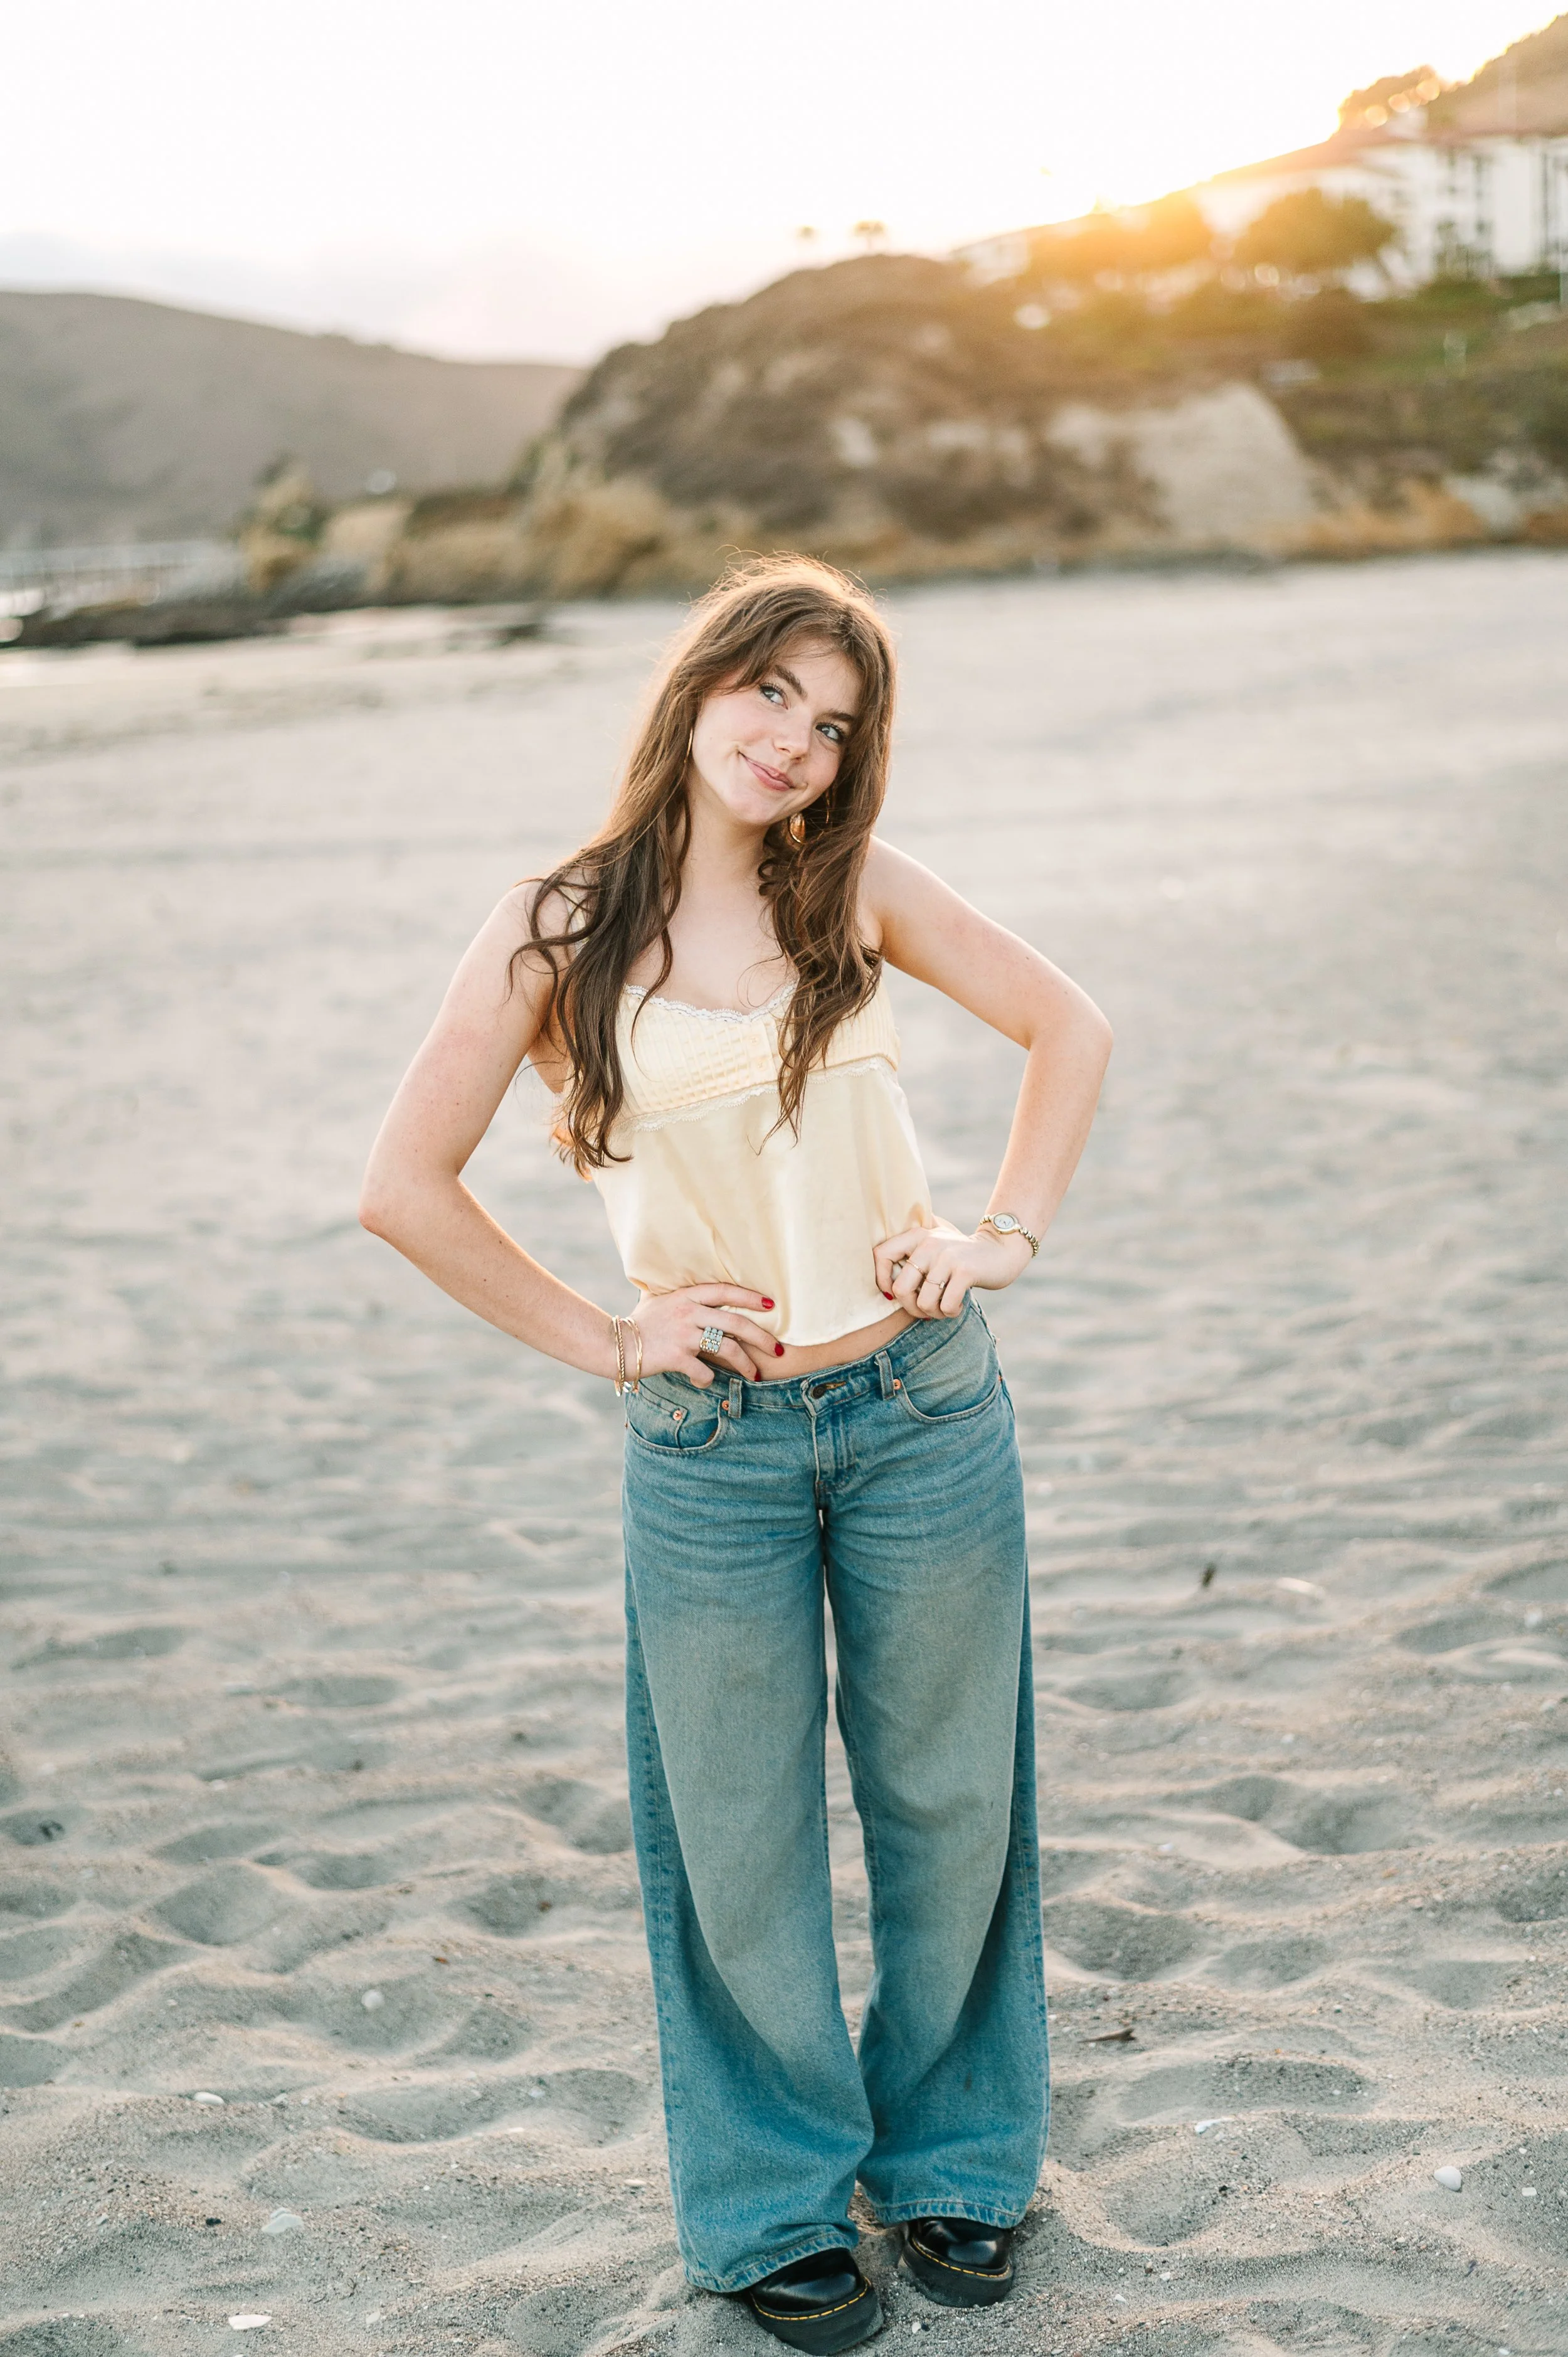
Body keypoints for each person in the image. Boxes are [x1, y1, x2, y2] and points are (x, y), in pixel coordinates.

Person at [360, 556, 1111, 2353]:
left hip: (922, 1407)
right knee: (735, 1836)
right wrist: (612, 1335)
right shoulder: (555, 924)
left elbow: (1068, 1026)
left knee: (951, 1800)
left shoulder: (855, 891)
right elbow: (400, 1184)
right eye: (770, 691)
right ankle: (774, 2201)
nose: (793, 739)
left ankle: (954, 2164)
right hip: (708, 1447)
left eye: (832, 721)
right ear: (699, 688)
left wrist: (997, 1232)